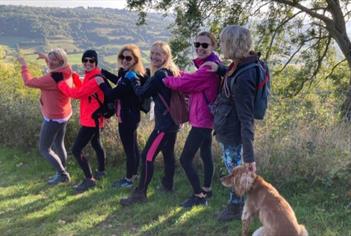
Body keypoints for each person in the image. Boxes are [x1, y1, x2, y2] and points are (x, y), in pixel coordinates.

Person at [117, 41, 180, 206]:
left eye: (158, 54)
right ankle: (167, 185)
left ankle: (140, 193)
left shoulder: (159, 75)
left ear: (166, 56)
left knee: (146, 156)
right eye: (152, 54)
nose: (154, 57)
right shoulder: (171, 71)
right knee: (168, 155)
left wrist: (133, 80)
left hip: (164, 126)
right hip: (172, 122)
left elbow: (141, 93)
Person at [163, 31, 221, 208]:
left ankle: (199, 195)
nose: (200, 48)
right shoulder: (209, 65)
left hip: (202, 120)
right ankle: (207, 189)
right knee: (205, 153)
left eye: (205, 45)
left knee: (185, 158)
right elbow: (191, 79)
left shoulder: (208, 68)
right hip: (205, 118)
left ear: (213, 46)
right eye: (197, 45)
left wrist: (166, 79)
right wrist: (177, 72)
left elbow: (186, 83)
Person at [209, 25, 258, 221]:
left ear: (231, 43)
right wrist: (220, 69)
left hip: (233, 133)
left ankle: (236, 208)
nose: (220, 44)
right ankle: (241, 205)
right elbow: (232, 76)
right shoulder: (243, 64)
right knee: (234, 171)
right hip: (229, 128)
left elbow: (247, 118)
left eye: (223, 41)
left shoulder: (244, 76)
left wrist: (249, 156)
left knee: (235, 173)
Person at [51, 49, 107, 193]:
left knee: (76, 150)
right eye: (85, 60)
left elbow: (77, 93)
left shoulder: (95, 79)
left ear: (96, 62)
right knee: (96, 143)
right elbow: (82, 87)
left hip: (91, 120)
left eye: (91, 61)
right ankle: (101, 171)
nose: (88, 63)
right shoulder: (91, 75)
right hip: (94, 118)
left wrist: (60, 83)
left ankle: (89, 179)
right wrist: (74, 75)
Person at [17, 48, 75, 185]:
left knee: (44, 148)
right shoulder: (66, 70)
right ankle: (62, 170)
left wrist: (24, 65)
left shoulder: (51, 79)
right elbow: (55, 67)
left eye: (53, 59)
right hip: (64, 113)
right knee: (58, 143)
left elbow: (29, 82)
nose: (50, 61)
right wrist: (46, 58)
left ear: (60, 61)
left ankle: (62, 174)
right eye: (50, 58)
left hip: (53, 117)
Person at [96, 44, 146, 188]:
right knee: (133, 146)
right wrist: (104, 72)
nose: (124, 60)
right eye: (122, 57)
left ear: (135, 60)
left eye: (128, 58)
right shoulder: (128, 74)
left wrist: (101, 83)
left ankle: (128, 180)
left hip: (127, 118)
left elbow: (112, 93)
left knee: (129, 149)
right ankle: (134, 174)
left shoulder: (131, 77)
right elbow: (119, 82)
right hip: (132, 116)